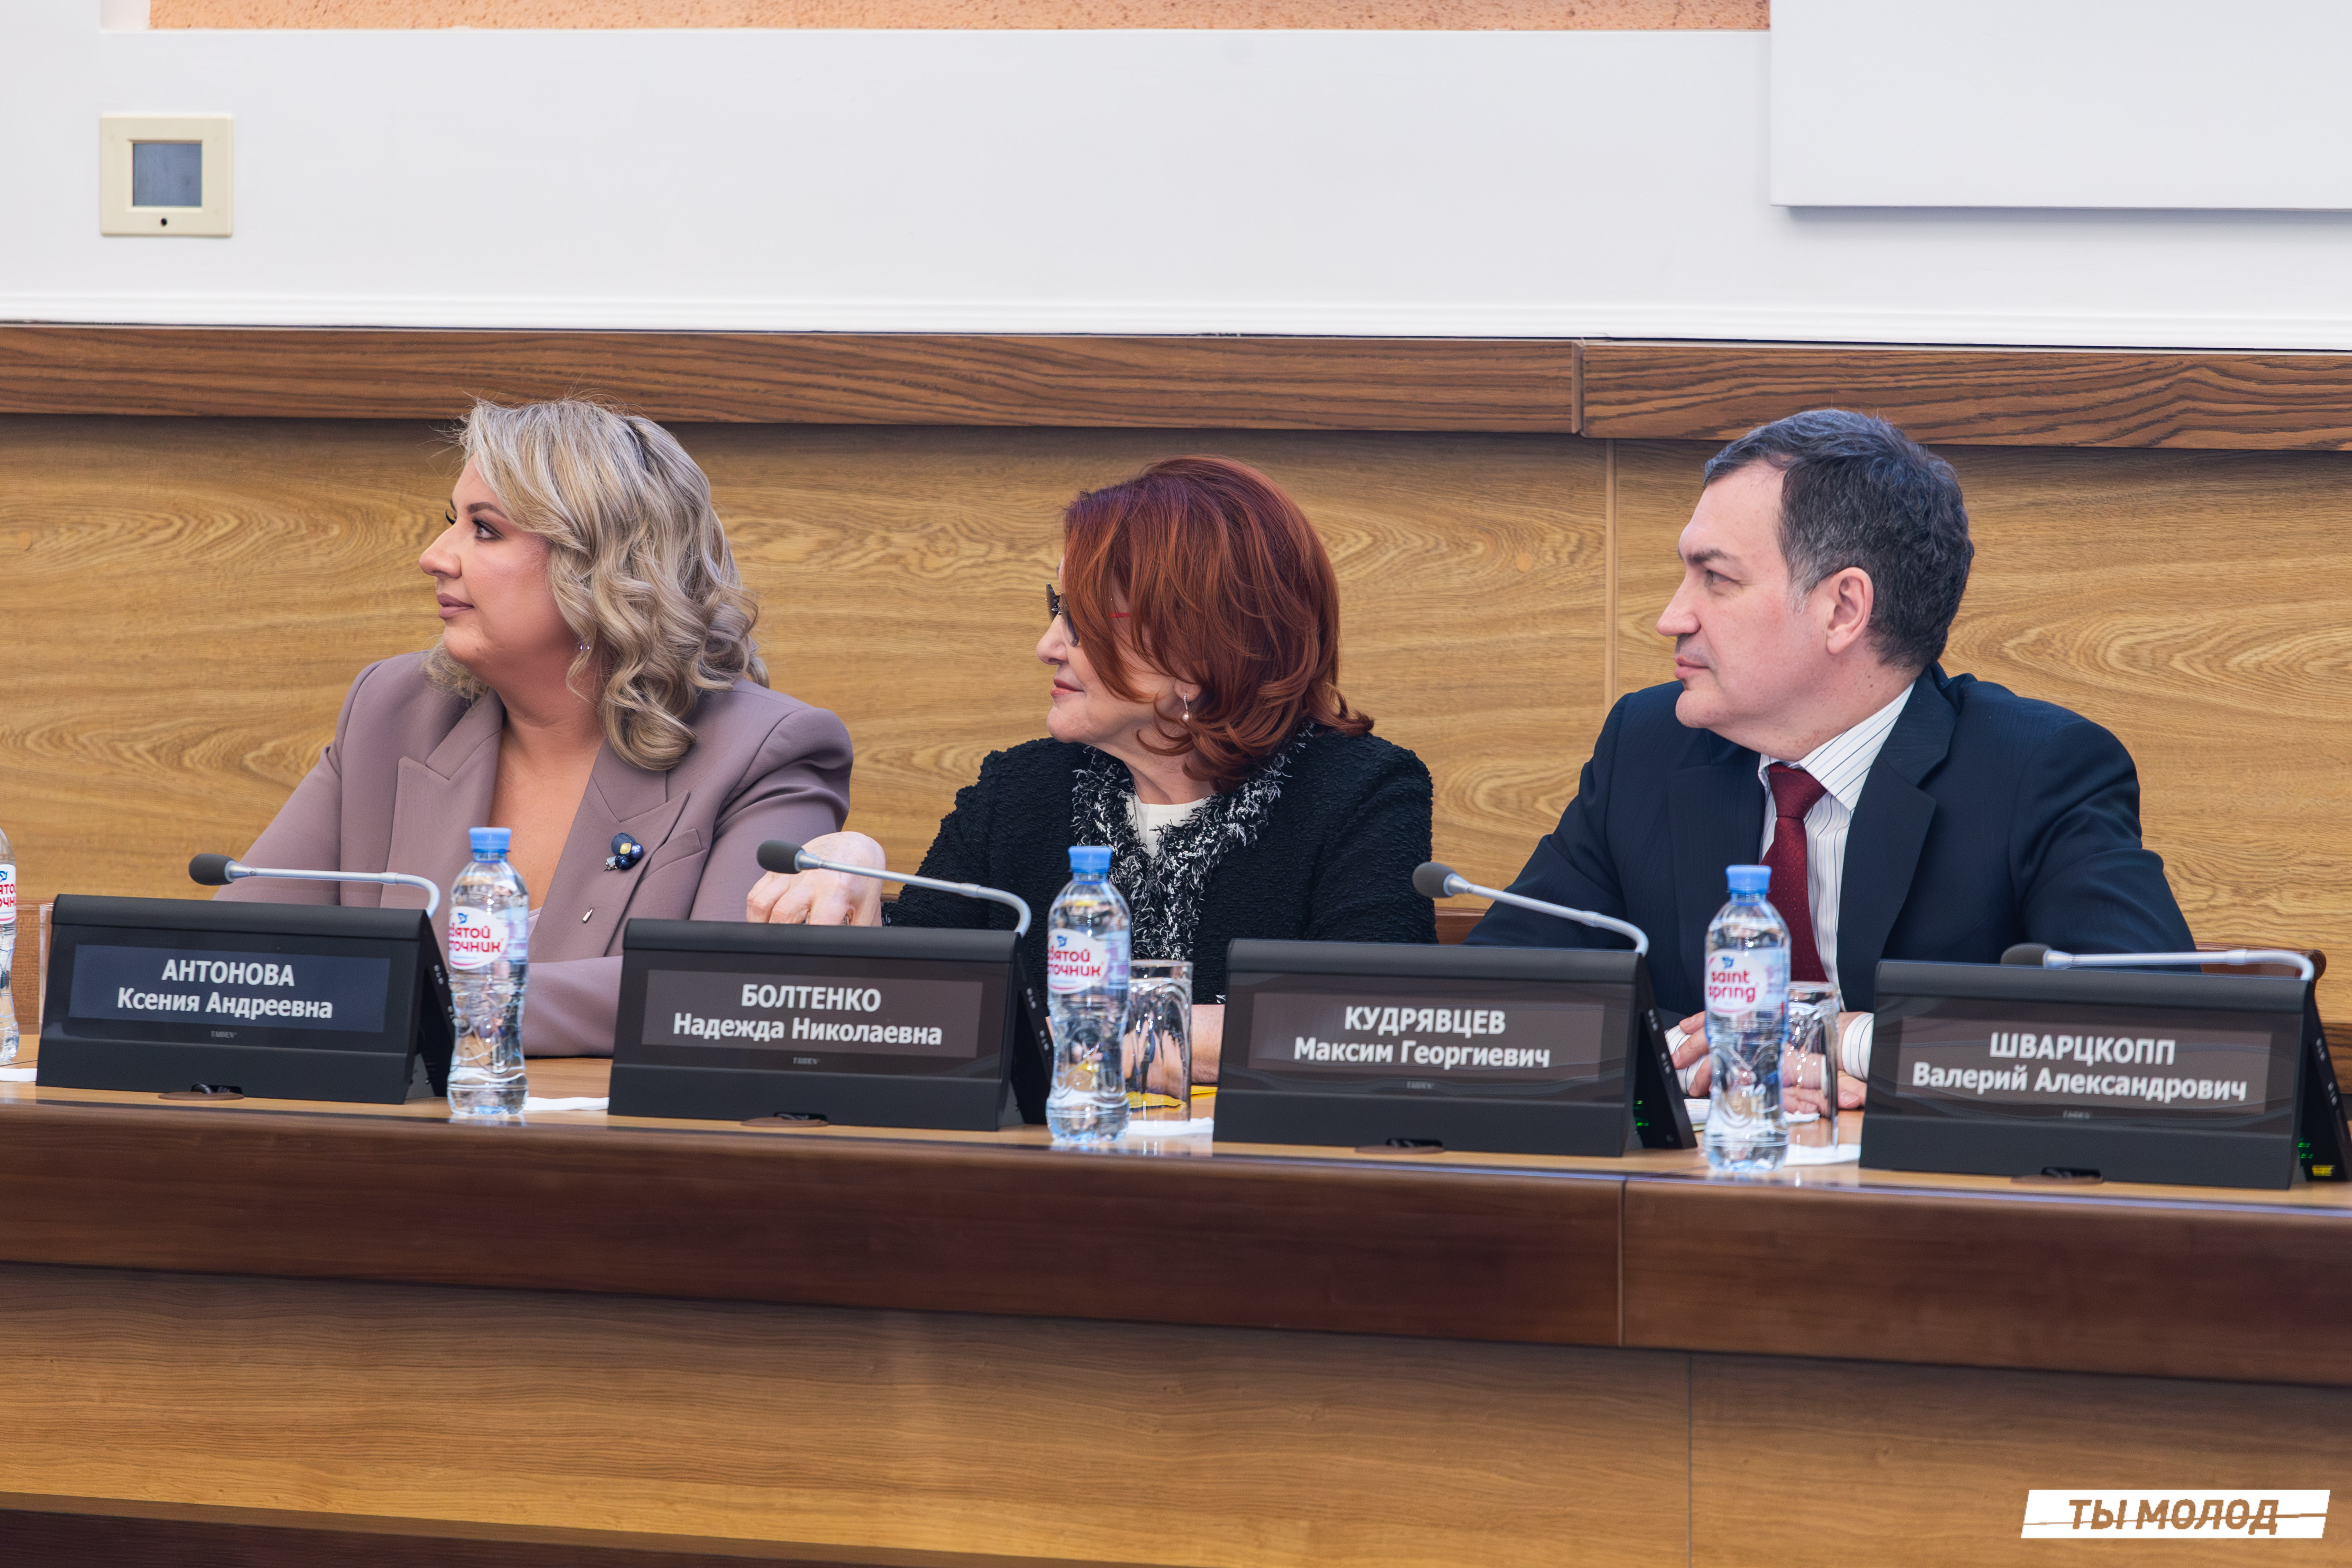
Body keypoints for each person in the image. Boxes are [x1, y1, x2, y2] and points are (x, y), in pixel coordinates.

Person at [1466, 409, 2192, 1105]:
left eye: (1716, 578)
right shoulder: (1649, 747)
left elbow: (2152, 1038)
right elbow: (1489, 1012)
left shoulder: (2036, 771)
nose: (1671, 616)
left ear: (1843, 609)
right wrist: (1684, 1057)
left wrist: (1849, 1041)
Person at [748, 455, 1435, 1079]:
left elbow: (1366, 1023)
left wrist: (1089, 1037)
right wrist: (856, 876)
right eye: (1058, 608)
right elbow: (919, 1014)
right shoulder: (1020, 790)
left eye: (1082, 620)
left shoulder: (1359, 791)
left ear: (1200, 647)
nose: (1047, 645)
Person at [218, 399, 853, 1055]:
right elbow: (239, 959)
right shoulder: (395, 710)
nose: (434, 557)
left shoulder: (765, 751)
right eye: (451, 522)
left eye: (484, 530)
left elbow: (725, 993)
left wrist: (431, 1002)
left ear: (603, 568)